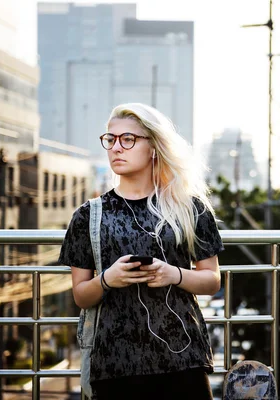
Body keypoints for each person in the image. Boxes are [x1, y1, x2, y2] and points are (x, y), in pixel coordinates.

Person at [58, 103, 224, 399]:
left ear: (153, 148)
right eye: (110, 139)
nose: (116, 148)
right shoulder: (89, 216)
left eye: (128, 139)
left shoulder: (189, 208)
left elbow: (211, 280)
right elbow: (81, 295)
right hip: (115, 364)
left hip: (182, 358)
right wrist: (109, 279)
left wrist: (172, 273)